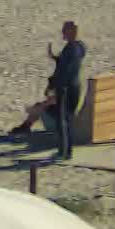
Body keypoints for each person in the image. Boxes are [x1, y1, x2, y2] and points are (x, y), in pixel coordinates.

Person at [43, 21, 86, 160]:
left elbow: (64, 71)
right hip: (75, 86)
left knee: (62, 121)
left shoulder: (71, 48)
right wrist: (55, 57)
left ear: (71, 31)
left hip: (66, 88)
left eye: (64, 30)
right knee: (68, 120)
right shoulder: (80, 46)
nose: (62, 33)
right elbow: (68, 63)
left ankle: (63, 152)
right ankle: (67, 152)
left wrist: (52, 87)